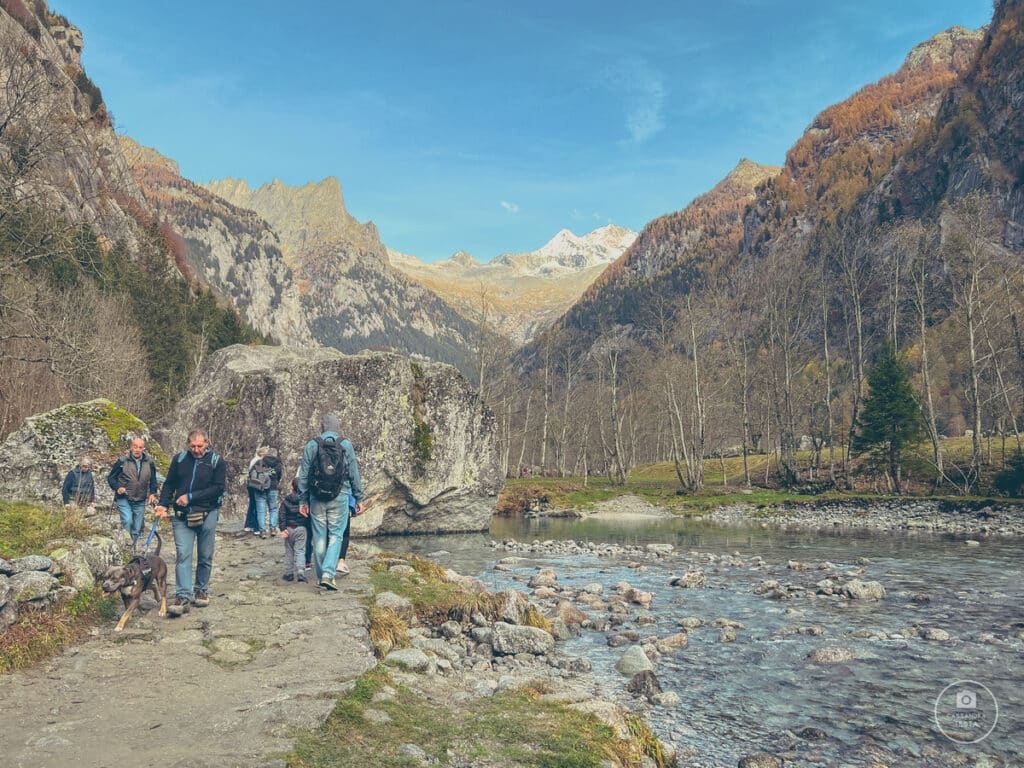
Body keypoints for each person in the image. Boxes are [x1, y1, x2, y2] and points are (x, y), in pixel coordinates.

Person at [155, 429, 226, 615]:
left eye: (200, 446)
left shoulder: (217, 462)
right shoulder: (179, 459)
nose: (196, 450)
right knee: (183, 554)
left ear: (207, 443)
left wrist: (191, 497)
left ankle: (201, 590)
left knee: (205, 555)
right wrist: (163, 505)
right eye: (193, 446)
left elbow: (218, 488)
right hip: (182, 515)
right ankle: (182, 596)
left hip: (208, 512)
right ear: (188, 444)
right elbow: (169, 483)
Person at [297, 414, 363, 590]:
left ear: (322, 427)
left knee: (319, 537)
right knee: (336, 536)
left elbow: (303, 475)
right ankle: (328, 574)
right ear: (337, 427)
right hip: (340, 495)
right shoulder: (345, 444)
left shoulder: (312, 444)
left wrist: (303, 500)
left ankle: (322, 576)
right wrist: (358, 497)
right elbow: (353, 472)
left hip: (316, 497)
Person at [107, 437, 159, 548]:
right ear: (131, 447)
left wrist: (152, 493)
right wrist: (118, 487)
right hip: (124, 497)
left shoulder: (149, 462)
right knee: (127, 520)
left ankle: (132, 549)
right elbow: (111, 478)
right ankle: (128, 546)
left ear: (143, 448)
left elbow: (153, 480)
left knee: (137, 527)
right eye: (135, 447)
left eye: (140, 447)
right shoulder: (122, 461)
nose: (137, 449)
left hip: (140, 499)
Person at [278, 478, 308, 582]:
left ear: (292, 488)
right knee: (300, 550)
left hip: (289, 528)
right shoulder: (305, 501)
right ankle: (300, 571)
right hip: (301, 528)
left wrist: (282, 529)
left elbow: (282, 515)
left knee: (289, 551)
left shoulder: (286, 501)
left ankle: (289, 573)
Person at [263, 449, 283, 535]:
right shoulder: (278, 463)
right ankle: (273, 528)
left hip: (263, 486)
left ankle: (262, 530)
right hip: (273, 487)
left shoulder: (262, 461)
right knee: (273, 509)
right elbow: (279, 475)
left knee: (262, 509)